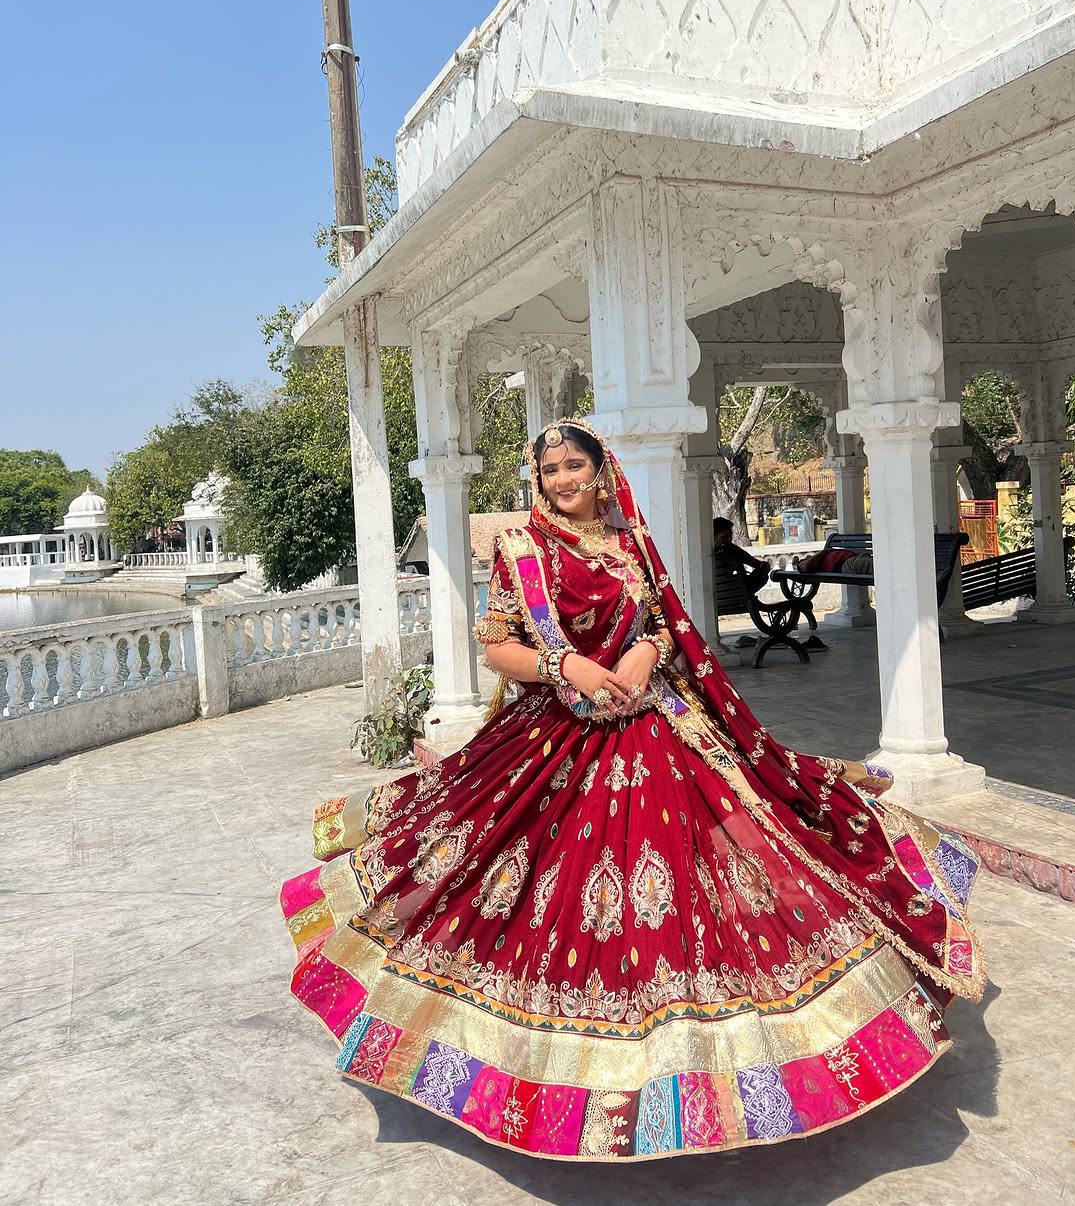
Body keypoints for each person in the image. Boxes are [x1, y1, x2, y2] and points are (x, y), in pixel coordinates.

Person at [281, 419, 983, 1162]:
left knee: (723, 863)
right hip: (559, 737)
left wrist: (648, 651)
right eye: (549, 469)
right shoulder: (521, 549)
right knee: (511, 879)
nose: (562, 480)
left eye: (573, 465)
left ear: (600, 469)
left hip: (656, 725)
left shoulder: (630, 545)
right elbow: (496, 647)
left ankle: (725, 1065)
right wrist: (567, 669)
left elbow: (657, 622)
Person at [713, 516, 771, 596]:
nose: (729, 540)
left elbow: (755, 563)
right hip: (740, 595)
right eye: (724, 537)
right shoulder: (732, 549)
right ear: (713, 537)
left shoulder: (702, 554)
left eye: (731, 536)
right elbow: (757, 564)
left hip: (719, 598)